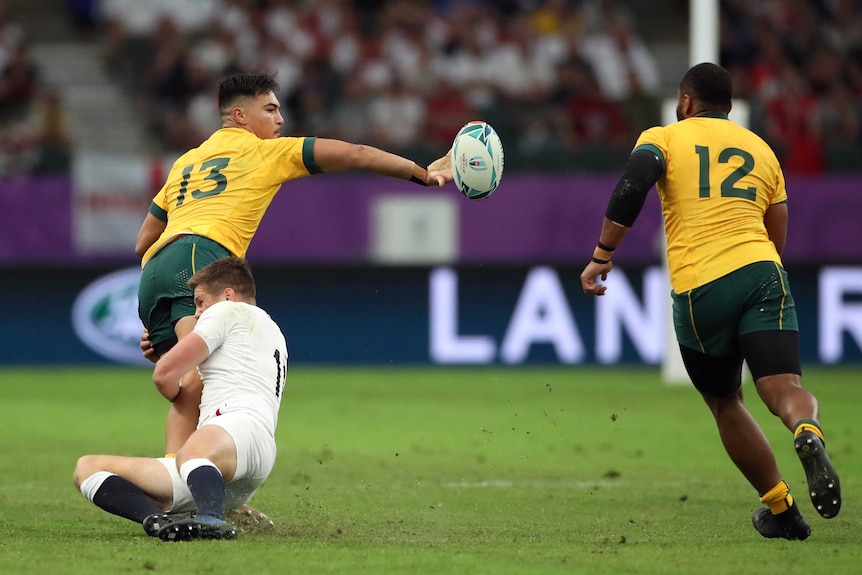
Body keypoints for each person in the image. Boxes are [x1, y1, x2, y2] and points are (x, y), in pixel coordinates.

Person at [579, 62, 840, 541]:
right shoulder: (760, 149)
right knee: (784, 388)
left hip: (702, 283)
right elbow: (777, 222)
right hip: (763, 271)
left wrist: (602, 254)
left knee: (725, 400)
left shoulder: (664, 137)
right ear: (730, 107)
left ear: (685, 103)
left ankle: (781, 508)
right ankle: (807, 429)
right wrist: (759, 272)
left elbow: (634, 184)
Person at [134, 72, 453, 459]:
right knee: (211, 378)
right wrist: (424, 174)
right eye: (270, 109)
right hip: (203, 258)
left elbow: (142, 242)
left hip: (153, 271)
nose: (280, 119)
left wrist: (168, 292)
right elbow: (357, 153)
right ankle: (192, 485)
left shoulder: (185, 162)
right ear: (240, 115)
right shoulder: (267, 152)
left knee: (190, 390)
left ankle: (176, 482)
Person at [75, 257, 285, 541]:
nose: (197, 313)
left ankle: (212, 520)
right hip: (241, 454)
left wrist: (167, 361)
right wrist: (169, 356)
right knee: (88, 467)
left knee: (190, 452)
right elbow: (210, 376)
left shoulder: (225, 311)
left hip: (228, 434)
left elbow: (164, 377)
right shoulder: (271, 332)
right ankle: (158, 520)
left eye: (200, 302)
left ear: (227, 296)